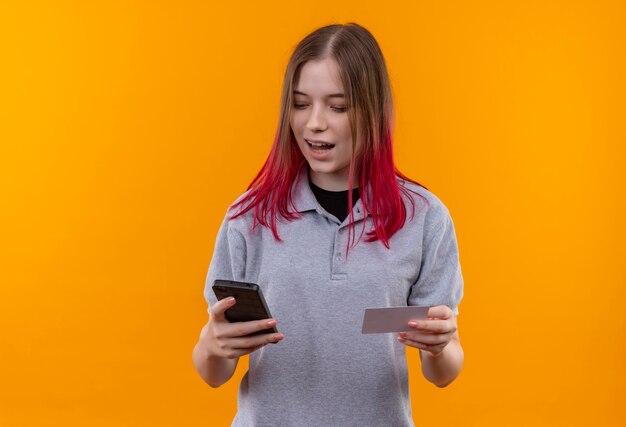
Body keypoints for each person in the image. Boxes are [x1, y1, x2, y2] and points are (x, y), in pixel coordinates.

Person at [192, 22, 464, 427]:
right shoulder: (248, 217)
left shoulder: (424, 217)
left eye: (337, 106)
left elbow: (442, 372)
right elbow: (213, 373)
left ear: (372, 109)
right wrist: (212, 346)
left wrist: (441, 346)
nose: (314, 123)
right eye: (301, 104)